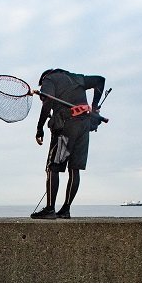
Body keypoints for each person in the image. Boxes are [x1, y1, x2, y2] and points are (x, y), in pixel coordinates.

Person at [31, 68, 105, 219]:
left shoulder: (49, 79)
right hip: (83, 127)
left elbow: (48, 100)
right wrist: (95, 107)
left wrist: (39, 128)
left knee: (53, 167)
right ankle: (66, 209)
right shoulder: (76, 78)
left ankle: (50, 209)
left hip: (65, 127)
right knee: (74, 169)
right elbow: (100, 81)